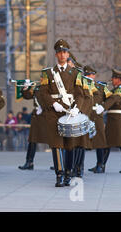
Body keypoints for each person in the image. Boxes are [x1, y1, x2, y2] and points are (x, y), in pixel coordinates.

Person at [38, 39, 85, 187]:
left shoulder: (75, 73)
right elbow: (42, 93)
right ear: (56, 54)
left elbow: (80, 94)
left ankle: (68, 173)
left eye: (64, 52)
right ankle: (59, 174)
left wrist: (77, 107)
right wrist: (53, 103)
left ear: (68, 53)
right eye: (59, 52)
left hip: (69, 111)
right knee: (56, 144)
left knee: (70, 144)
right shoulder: (48, 73)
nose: (62, 55)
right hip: (54, 112)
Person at [83, 65, 109, 174]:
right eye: (88, 75)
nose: (91, 77)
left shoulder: (101, 86)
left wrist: (104, 106)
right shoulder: (82, 86)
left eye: (92, 75)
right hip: (85, 115)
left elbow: (112, 97)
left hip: (97, 116)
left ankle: (100, 164)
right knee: (82, 141)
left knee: (99, 141)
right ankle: (78, 165)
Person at [18, 80, 48, 170]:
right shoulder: (37, 88)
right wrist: (26, 88)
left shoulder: (51, 87)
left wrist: (44, 107)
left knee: (55, 142)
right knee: (32, 140)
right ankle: (29, 162)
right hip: (37, 116)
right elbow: (28, 96)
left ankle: (59, 164)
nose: (41, 79)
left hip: (47, 116)